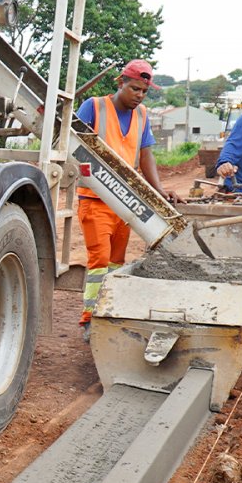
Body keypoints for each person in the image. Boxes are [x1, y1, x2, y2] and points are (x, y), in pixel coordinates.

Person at [75, 59, 181, 341]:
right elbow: (74, 145)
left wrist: (159, 190)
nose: (139, 95)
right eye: (135, 88)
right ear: (121, 82)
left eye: (144, 91)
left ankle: (108, 312)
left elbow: (146, 154)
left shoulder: (143, 115)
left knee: (116, 263)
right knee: (99, 261)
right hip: (96, 199)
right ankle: (89, 320)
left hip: (126, 203)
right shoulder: (94, 107)